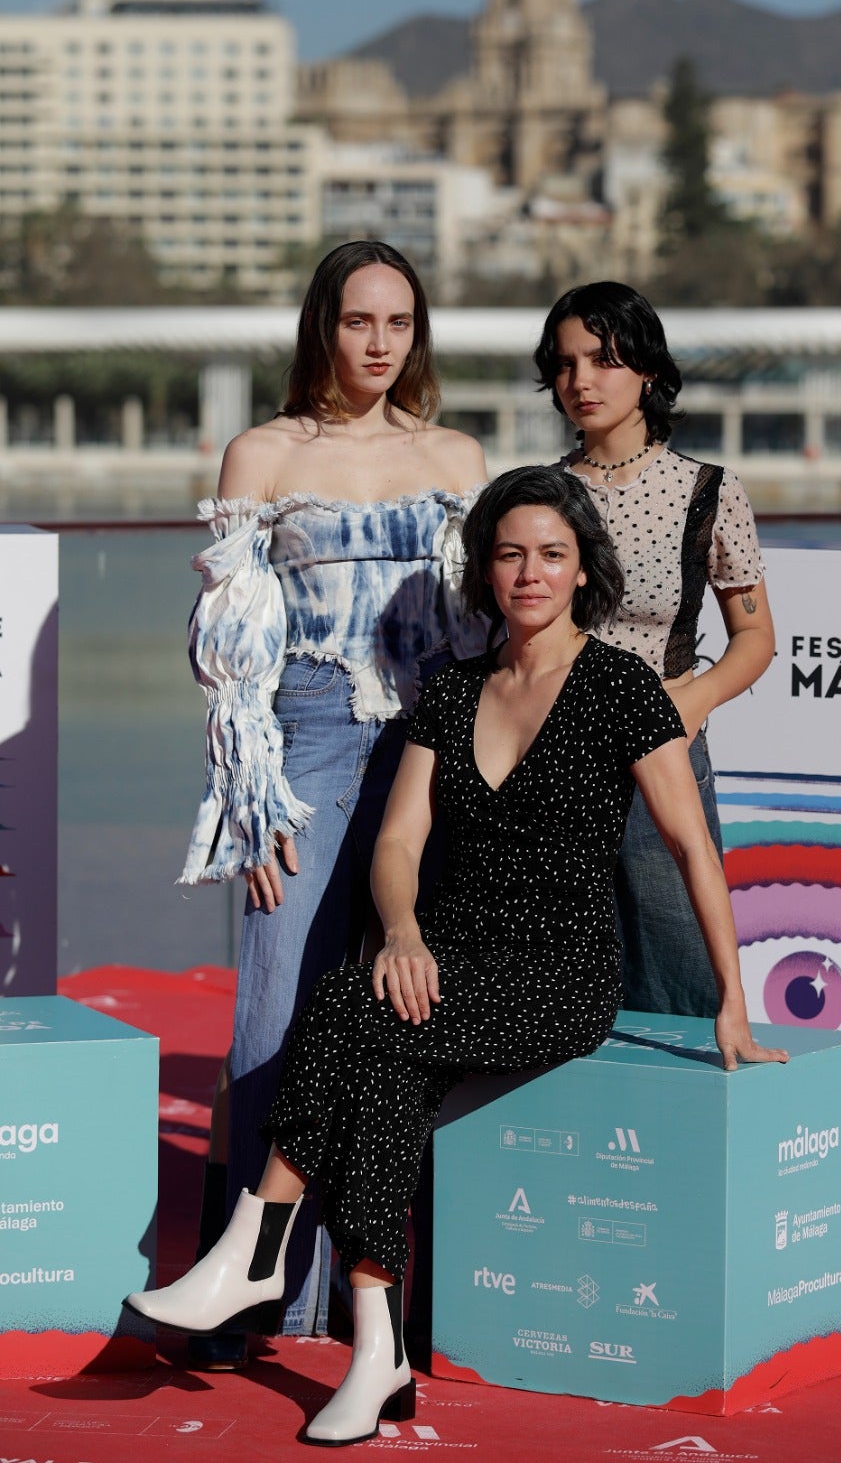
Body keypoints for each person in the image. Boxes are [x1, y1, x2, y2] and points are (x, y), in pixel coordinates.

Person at [127, 466, 788, 1446]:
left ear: (581, 571)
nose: (530, 572)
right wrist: (400, 929)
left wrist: (732, 999)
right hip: (446, 956)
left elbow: (692, 846)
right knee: (380, 1047)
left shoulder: (619, 686)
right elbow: (397, 844)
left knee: (358, 1010)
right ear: (484, 569)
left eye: (551, 554)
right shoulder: (456, 692)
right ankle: (376, 1344)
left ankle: (258, 1242)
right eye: (511, 552)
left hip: (558, 971)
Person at [178, 241, 487, 1364]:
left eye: (398, 323)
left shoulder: (456, 451)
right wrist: (250, 795)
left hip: (425, 747)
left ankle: (386, 1294)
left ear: (418, 334)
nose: (377, 343)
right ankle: (260, 1300)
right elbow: (228, 650)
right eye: (359, 320)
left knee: (406, 1015)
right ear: (324, 325)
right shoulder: (263, 451)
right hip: (303, 736)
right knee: (272, 1012)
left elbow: (476, 634)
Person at [534, 282, 775, 1019]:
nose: (581, 381)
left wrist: (690, 701)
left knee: (681, 969)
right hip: (553, 760)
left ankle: (693, 1122)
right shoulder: (542, 493)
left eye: (603, 360)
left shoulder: (708, 490)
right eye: (566, 363)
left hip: (661, 759)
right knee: (556, 974)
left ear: (647, 370)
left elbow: (756, 639)